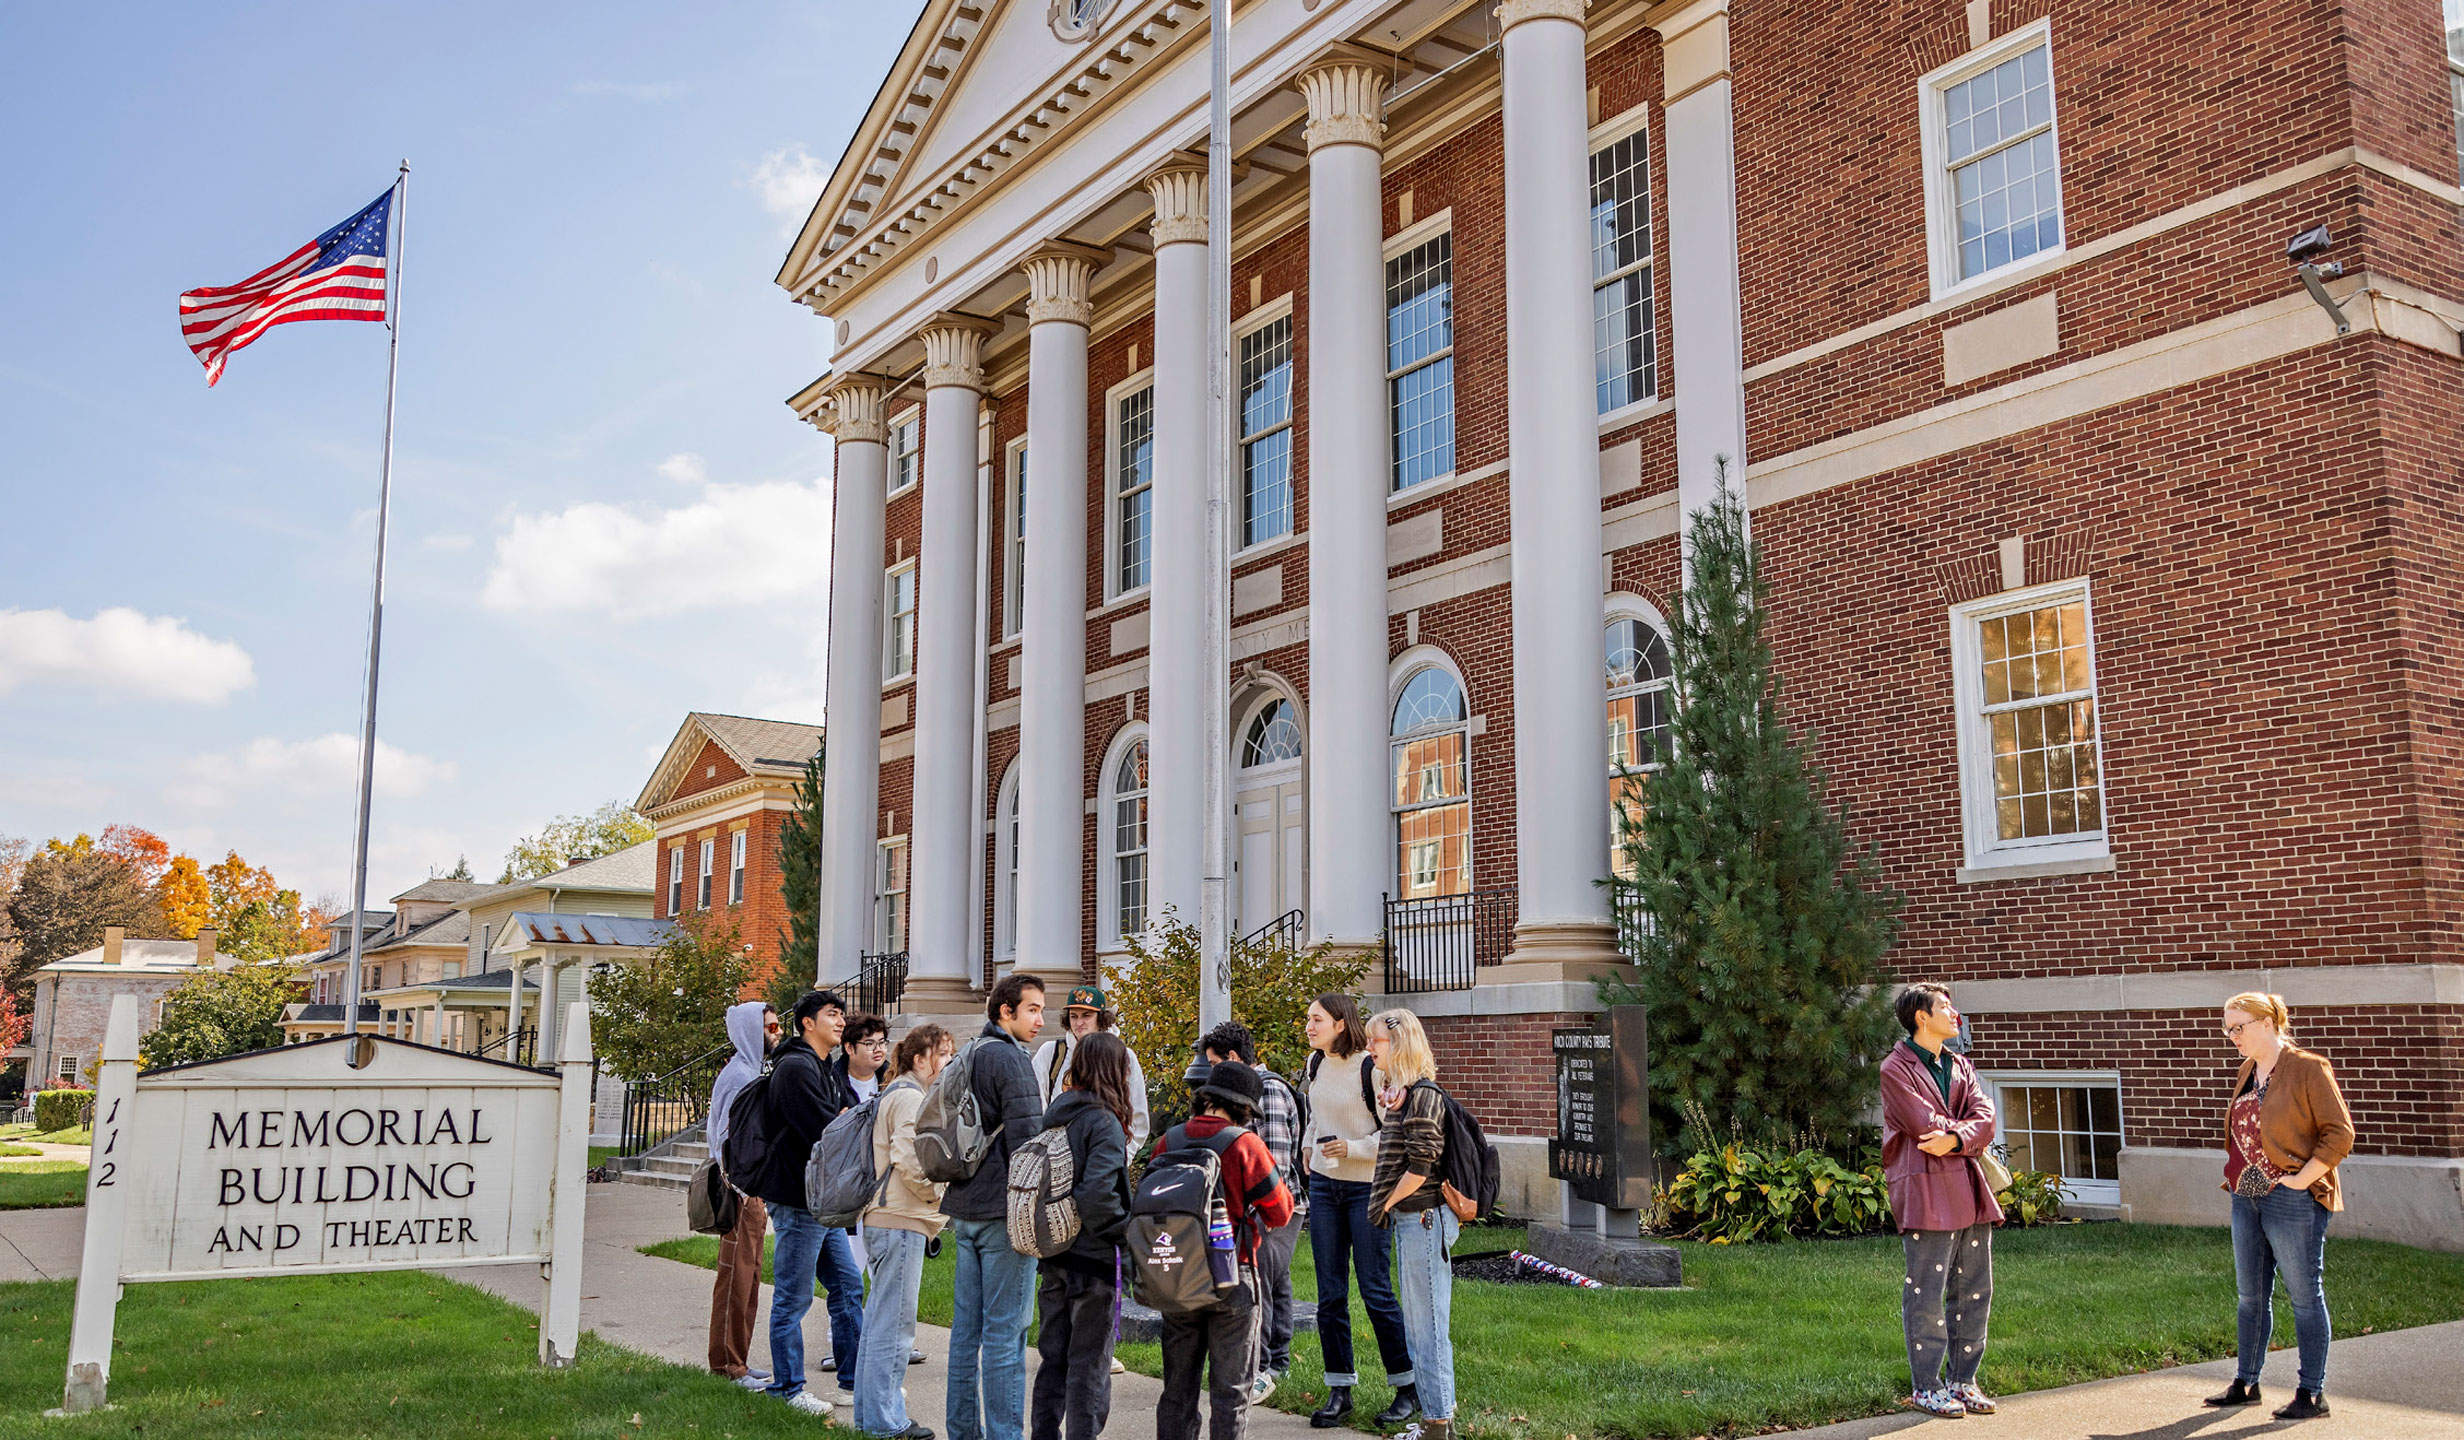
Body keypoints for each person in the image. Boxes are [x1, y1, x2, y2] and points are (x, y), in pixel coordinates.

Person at [2204, 992, 2354, 1422]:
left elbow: (2339, 1133)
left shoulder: (2308, 1068)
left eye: (2238, 1027)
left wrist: (2300, 1180)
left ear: (2268, 1022)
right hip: (2246, 1196)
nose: (2231, 1036)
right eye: (2227, 1029)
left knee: (2304, 1296)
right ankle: (2246, 1383)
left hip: (2293, 1198)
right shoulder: (2249, 1069)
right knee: (2250, 1296)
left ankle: (2312, 1393)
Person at [1153, 1060, 1295, 1440]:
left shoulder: (1170, 1139)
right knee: (1231, 1393)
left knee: (1177, 1390)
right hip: (1233, 1274)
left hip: (1178, 1276)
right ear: (1244, 1108)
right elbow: (1280, 1212)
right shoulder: (1246, 1144)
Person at [1880, 983, 2003, 1421]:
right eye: (1945, 1007)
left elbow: (1985, 1118)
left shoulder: (1960, 1065)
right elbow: (1919, 1125)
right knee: (1926, 1293)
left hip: (1969, 1189)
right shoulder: (1895, 1069)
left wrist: (1954, 1137)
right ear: (1921, 1017)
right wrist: (1961, 1133)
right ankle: (1927, 1387)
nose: (1955, 1014)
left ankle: (1963, 1380)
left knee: (1975, 1289)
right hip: (1926, 1191)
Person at [748, 988, 865, 1416]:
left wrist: (843, 1119)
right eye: (832, 1014)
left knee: (848, 1286)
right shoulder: (796, 1067)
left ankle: (853, 1382)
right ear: (807, 1023)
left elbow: (847, 1115)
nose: (840, 1021)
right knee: (793, 1297)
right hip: (798, 1200)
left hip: (820, 1199)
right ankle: (788, 1388)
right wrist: (842, 1120)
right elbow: (829, 1131)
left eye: (842, 1014)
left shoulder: (824, 1065)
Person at [943, 973, 1049, 1440]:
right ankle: (1005, 1434)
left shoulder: (970, 1052)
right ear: (1005, 1010)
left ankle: (963, 1432)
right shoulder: (1011, 1059)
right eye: (1032, 1009)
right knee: (1006, 1335)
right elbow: (1030, 1146)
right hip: (1003, 1214)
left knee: (966, 1334)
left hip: (964, 1206)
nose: (1041, 1020)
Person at [1301, 994, 1412, 1429]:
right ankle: (1339, 1389)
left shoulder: (1371, 1068)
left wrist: (1352, 1147)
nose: (1309, 1026)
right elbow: (1317, 1115)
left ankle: (1407, 1387)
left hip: (1367, 1189)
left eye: (1316, 1019)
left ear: (1340, 1025)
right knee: (1330, 1293)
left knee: (1375, 1290)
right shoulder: (1315, 1065)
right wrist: (1310, 1144)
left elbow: (1392, 1136)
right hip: (1325, 1187)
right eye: (1309, 1020)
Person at [1029, 1031, 1137, 1440]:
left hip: (1055, 1251)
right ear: (1115, 1070)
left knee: (1053, 1357)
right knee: (1090, 1363)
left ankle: (1043, 1433)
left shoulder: (1058, 1111)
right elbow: (1096, 1192)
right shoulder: (1104, 1121)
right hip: (1093, 1260)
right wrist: (1123, 1233)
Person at [854, 1022, 956, 1440]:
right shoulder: (910, 1098)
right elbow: (910, 1159)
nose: (948, 1063)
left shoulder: (895, 1093)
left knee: (881, 1322)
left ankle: (870, 1417)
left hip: (887, 1219)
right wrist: (938, 1197)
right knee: (894, 1326)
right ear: (921, 1059)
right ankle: (885, 1421)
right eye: (943, 1055)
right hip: (899, 1220)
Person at [1199, 1019, 1306, 1406]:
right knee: (1275, 1284)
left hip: (1275, 1205)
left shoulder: (1270, 1091)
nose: (1213, 1073)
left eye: (1214, 1064)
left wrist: (1254, 1204)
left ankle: (1262, 1367)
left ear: (1232, 1058)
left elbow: (1274, 1162)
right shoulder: (1253, 1091)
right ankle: (1276, 1363)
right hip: (1258, 1206)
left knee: (1258, 1285)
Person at [1366, 1009, 1455, 1440]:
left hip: (1422, 1217)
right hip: (1412, 1219)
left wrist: (1386, 1200)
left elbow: (1421, 1167)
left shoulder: (1424, 1096)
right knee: (1423, 1326)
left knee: (1428, 1328)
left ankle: (1437, 1425)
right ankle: (1437, 1419)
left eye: (1376, 1041)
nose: (1369, 1049)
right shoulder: (1406, 1094)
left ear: (1398, 1045)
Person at [705, 1001, 779, 1390]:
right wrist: (740, 1186)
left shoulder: (751, 1070)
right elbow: (722, 1135)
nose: (776, 1032)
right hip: (740, 1191)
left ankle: (739, 1361)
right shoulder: (739, 1075)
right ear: (752, 1030)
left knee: (749, 1278)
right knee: (736, 1277)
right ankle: (728, 1365)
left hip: (752, 1190)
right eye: (770, 1027)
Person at [1031, 985, 1151, 1154]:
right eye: (1073, 1016)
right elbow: (1036, 1106)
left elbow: (1137, 1116)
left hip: (1106, 1151)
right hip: (1056, 1157)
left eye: (1086, 1016)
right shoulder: (1051, 1052)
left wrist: (1122, 1158)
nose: (1079, 1023)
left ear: (1101, 1018)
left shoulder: (1123, 1056)